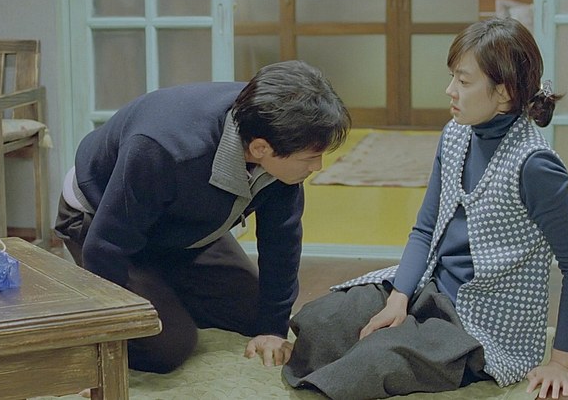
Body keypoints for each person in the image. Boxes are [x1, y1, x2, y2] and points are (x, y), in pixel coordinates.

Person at [282, 18, 568, 400]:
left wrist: (561, 363)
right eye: (452, 78)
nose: (450, 90)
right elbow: (425, 229)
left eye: (463, 81)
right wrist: (398, 298)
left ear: (504, 93)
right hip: (430, 288)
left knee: (374, 358)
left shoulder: (535, 166)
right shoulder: (455, 134)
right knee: (322, 322)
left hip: (481, 327)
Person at [54, 60, 351, 374]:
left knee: (258, 314)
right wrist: (102, 343)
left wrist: (273, 329)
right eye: (311, 157)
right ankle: (111, 297)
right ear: (261, 148)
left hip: (183, 227)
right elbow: (106, 247)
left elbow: (281, 240)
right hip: (100, 221)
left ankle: (159, 288)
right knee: (168, 346)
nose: (317, 167)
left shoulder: (278, 128)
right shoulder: (163, 148)